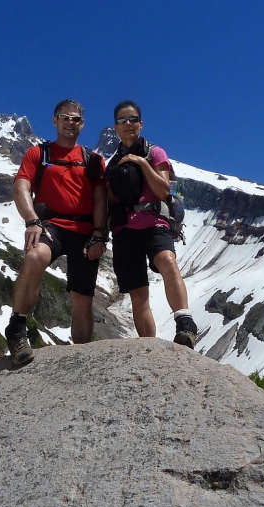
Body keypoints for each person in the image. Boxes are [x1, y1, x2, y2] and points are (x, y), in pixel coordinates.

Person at [5, 99, 108, 365]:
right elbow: (21, 187)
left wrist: (100, 235)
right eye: (65, 117)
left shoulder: (94, 160)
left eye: (75, 119)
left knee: (82, 301)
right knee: (34, 256)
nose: (70, 123)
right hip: (51, 225)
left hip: (85, 231)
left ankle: (82, 357)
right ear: (54, 121)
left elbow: (101, 200)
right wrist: (31, 220)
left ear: (82, 124)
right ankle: (17, 329)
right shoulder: (38, 154)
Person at [105, 100, 198, 348]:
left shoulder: (155, 153)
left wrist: (142, 164)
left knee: (167, 260)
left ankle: (185, 324)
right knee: (137, 292)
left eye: (133, 119)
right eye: (123, 120)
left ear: (141, 123)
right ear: (115, 127)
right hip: (124, 230)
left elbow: (163, 189)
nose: (128, 124)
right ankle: (150, 346)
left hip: (155, 222)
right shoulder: (112, 165)